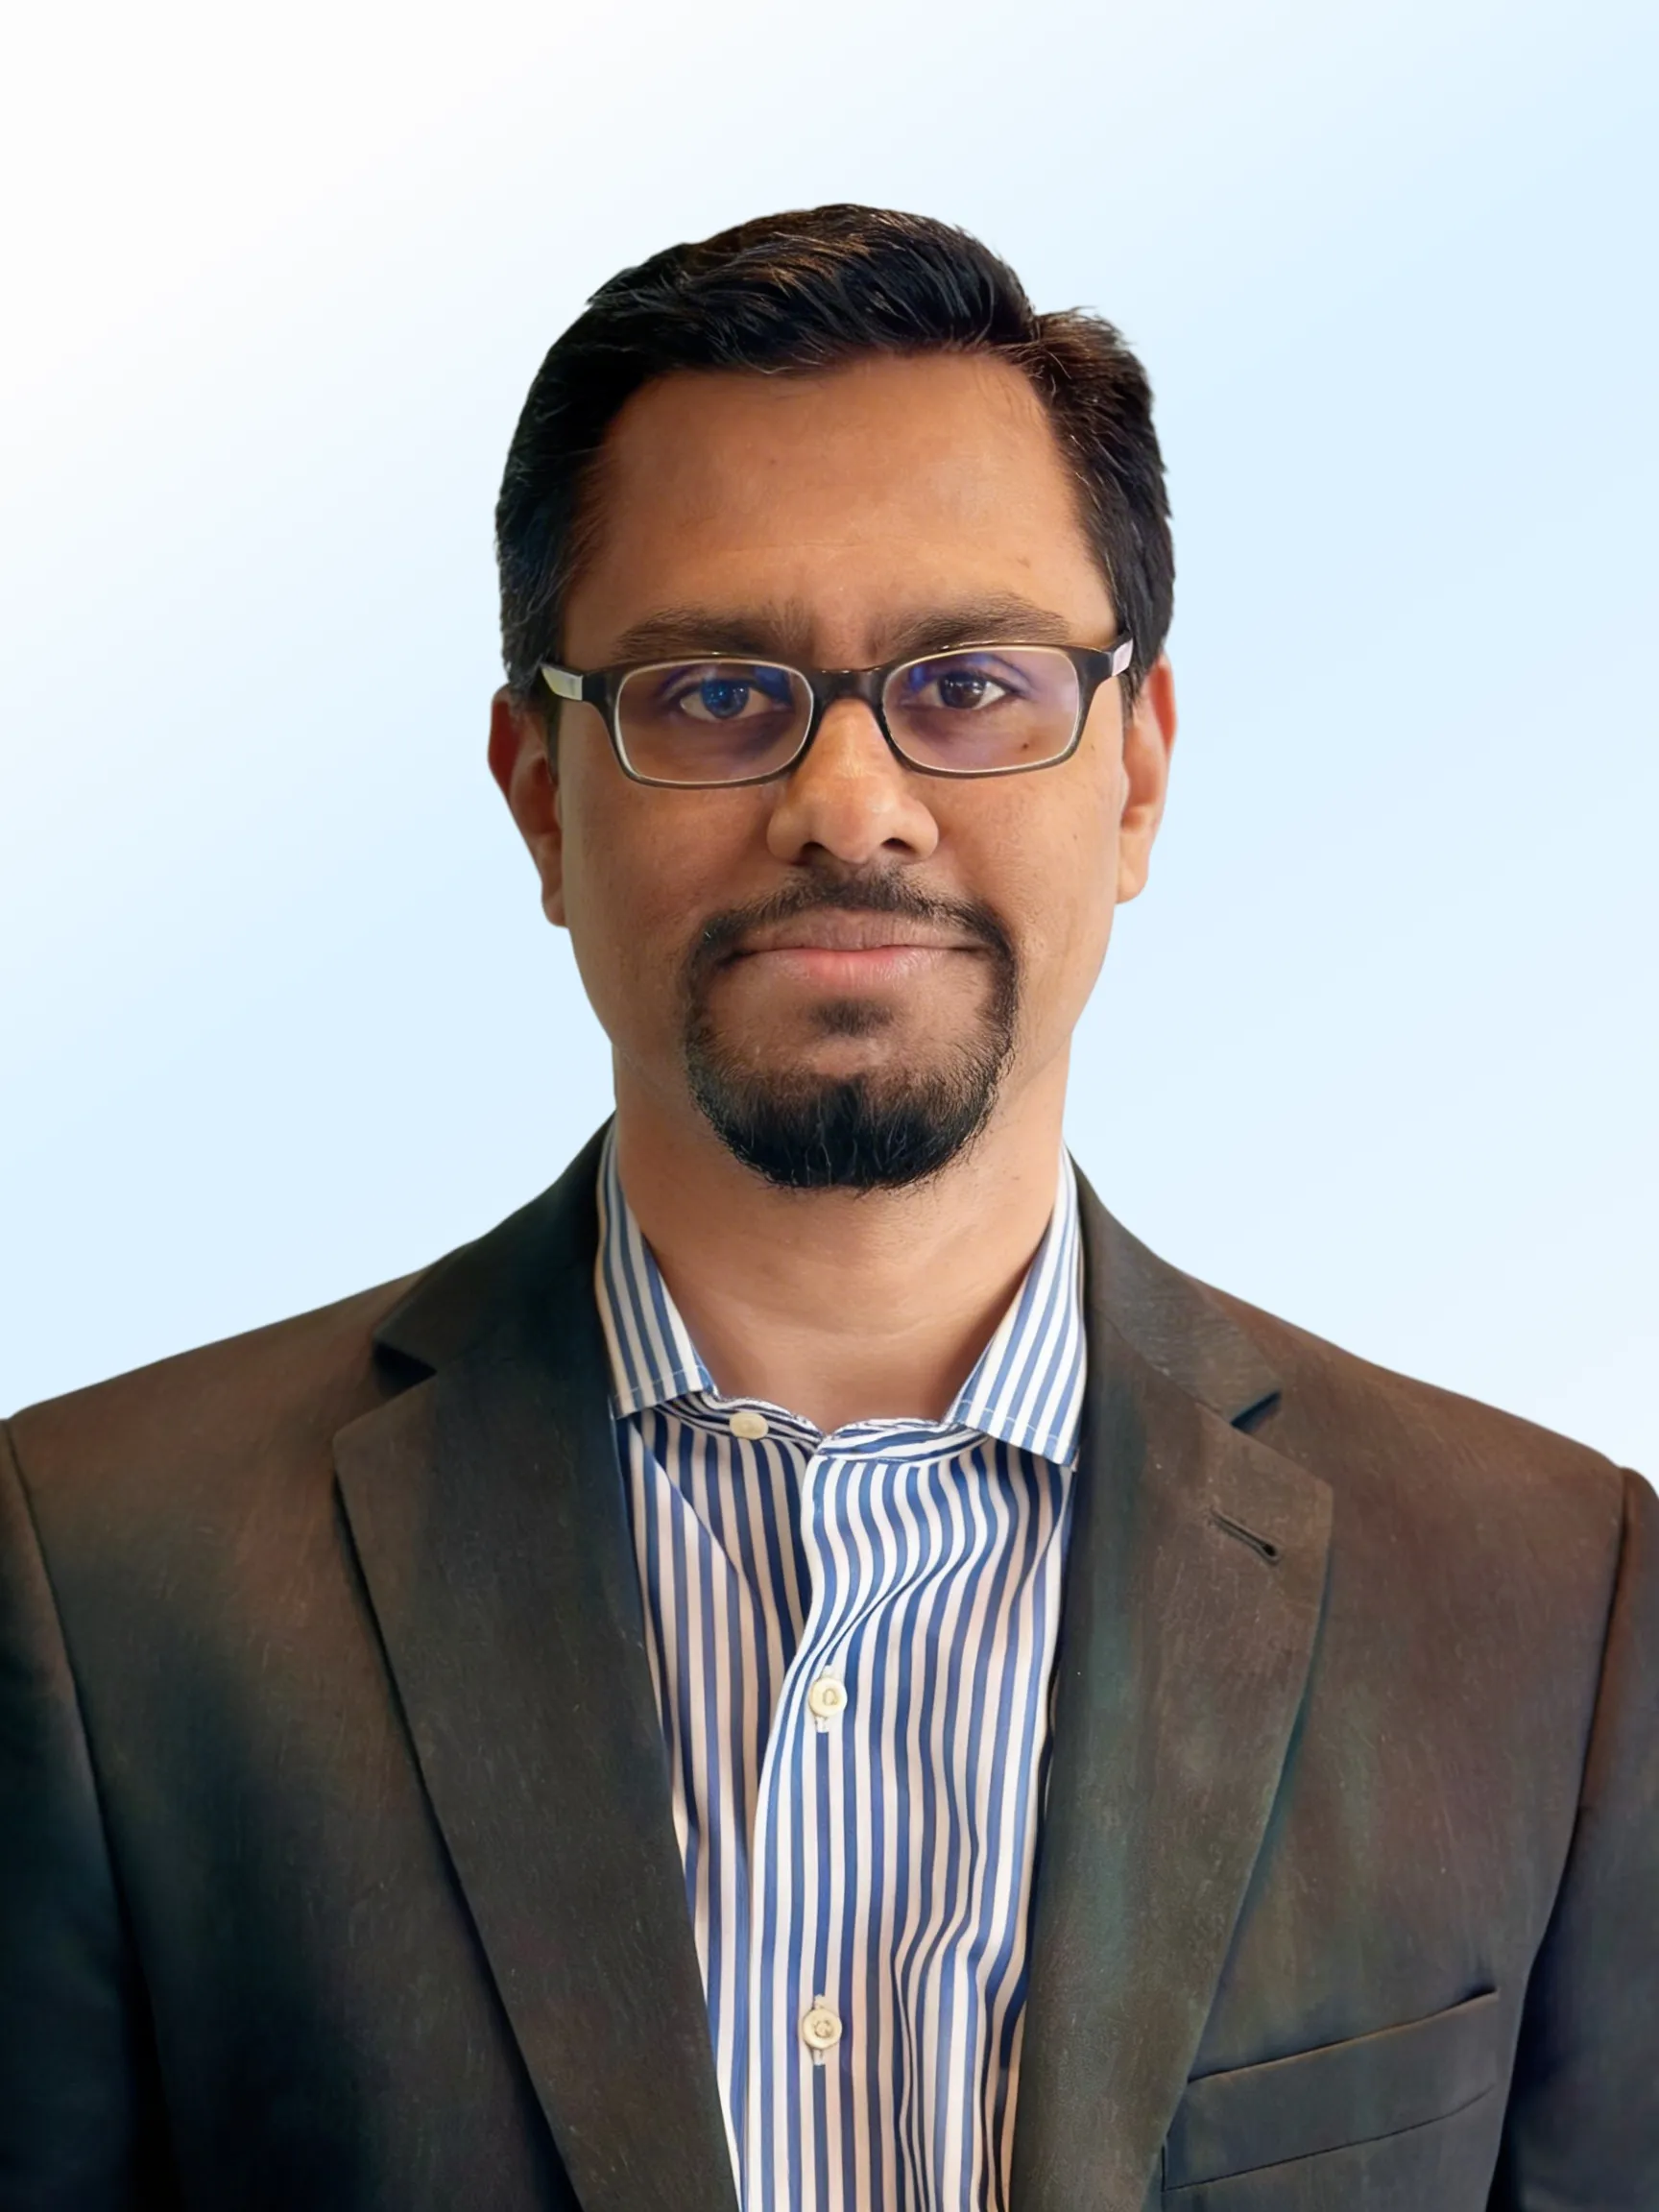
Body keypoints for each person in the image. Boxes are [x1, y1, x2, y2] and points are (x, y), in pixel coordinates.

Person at [1, 204, 1652, 2212]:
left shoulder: (1556, 1606)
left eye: (968, 682)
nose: (851, 803)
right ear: (541, 791)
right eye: (715, 693)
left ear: (1137, 773)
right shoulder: (104, 1582)